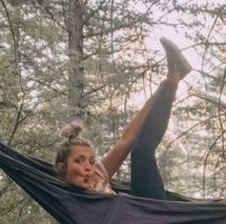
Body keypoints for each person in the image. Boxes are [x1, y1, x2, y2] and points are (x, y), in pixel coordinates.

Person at [54, 38, 191, 199]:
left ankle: (173, 77)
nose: (88, 168)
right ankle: (174, 77)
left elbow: (127, 140)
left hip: (146, 212)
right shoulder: (66, 199)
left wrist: (162, 89)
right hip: (140, 220)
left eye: (91, 161)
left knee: (140, 149)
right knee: (140, 151)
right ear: (63, 167)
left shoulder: (96, 175)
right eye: (79, 161)